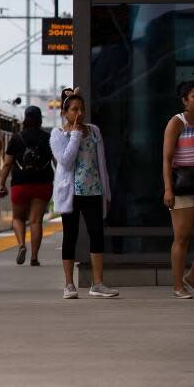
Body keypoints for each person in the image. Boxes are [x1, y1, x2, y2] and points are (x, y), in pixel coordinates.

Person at [51, 91, 119, 299]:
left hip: (93, 190)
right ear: (65, 113)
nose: (79, 113)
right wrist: (75, 134)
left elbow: (101, 163)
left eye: (82, 109)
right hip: (71, 193)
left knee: (97, 233)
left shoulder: (94, 131)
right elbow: (66, 160)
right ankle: (69, 284)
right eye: (74, 109)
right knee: (70, 236)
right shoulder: (58, 134)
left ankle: (97, 283)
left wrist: (105, 190)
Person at [162, 80, 194, 298]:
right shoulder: (176, 122)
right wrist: (168, 189)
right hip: (182, 186)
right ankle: (177, 286)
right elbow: (167, 159)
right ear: (184, 100)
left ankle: (192, 275)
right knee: (182, 237)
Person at [0, 106, 53, 266]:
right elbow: (57, 162)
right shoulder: (48, 138)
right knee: (36, 221)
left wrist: (1, 184)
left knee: (18, 218)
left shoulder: (16, 138)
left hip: (20, 183)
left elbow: (7, 164)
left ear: (25, 118)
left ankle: (22, 245)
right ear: (40, 119)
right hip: (42, 183)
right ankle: (34, 257)